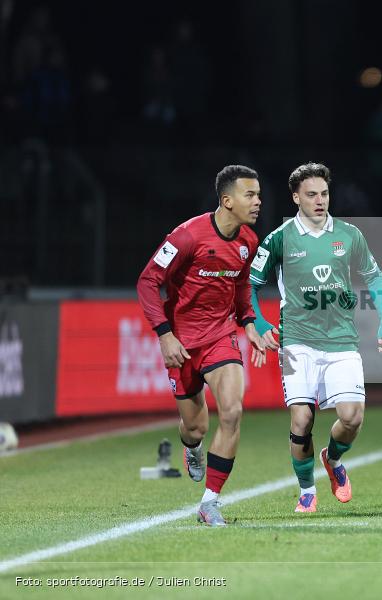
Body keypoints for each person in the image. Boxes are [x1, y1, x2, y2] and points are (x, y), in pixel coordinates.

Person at [249, 162, 382, 513]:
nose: (319, 200)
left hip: (341, 340)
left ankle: (333, 458)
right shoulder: (280, 238)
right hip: (296, 340)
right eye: (311, 194)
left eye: (324, 194)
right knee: (301, 420)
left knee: (352, 417)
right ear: (296, 197)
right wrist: (260, 324)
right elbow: (250, 285)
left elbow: (373, 278)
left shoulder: (348, 235)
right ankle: (306, 490)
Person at [137, 165, 268, 526]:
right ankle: (192, 449)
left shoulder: (249, 242)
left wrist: (249, 323)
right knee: (195, 427)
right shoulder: (186, 237)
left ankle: (209, 502)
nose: (258, 202)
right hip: (181, 342)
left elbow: (241, 287)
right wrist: (164, 335)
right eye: (250, 195)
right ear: (227, 201)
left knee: (232, 412)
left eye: (258, 195)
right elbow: (148, 282)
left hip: (220, 337)